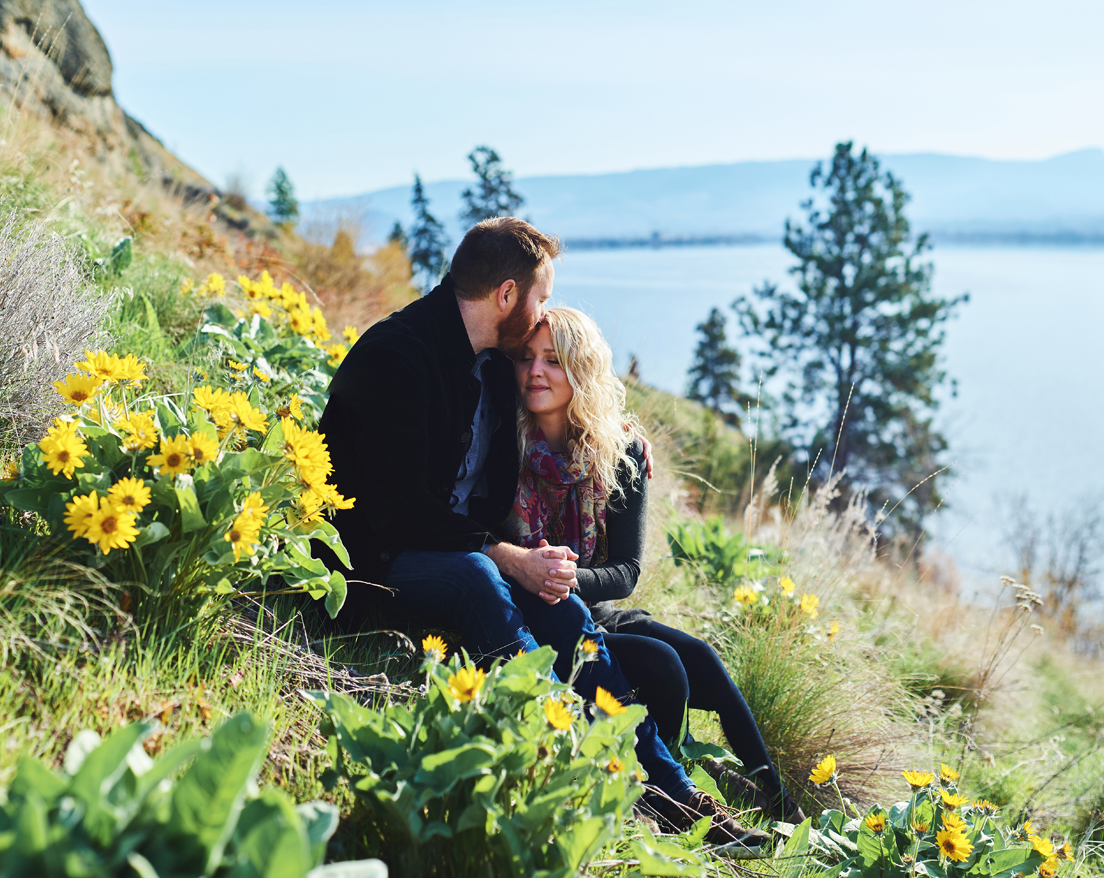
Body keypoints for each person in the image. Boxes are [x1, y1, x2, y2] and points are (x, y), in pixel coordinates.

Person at [318, 217, 768, 852]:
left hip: (451, 558)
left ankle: (677, 797)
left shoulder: (493, 370)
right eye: (542, 297)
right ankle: (566, 747)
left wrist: (534, 568)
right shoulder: (399, 355)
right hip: (368, 565)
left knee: (567, 608)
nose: (544, 312)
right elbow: (396, 515)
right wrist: (509, 558)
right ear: (507, 295)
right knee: (483, 575)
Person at [506, 306, 804, 825]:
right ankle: (665, 789)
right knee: (662, 666)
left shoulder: (618, 452)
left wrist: (571, 575)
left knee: (701, 658)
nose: (536, 371)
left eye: (553, 360)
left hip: (593, 602)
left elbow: (626, 571)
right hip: (537, 615)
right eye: (527, 358)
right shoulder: (502, 443)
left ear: (582, 370)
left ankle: (780, 807)